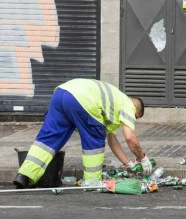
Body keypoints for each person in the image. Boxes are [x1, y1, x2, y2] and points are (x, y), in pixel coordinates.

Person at [13, 78, 153, 189]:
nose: (133, 120)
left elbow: (112, 141)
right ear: (136, 111)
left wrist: (128, 164)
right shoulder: (128, 105)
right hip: (83, 100)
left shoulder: (114, 103)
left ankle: (24, 175)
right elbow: (129, 137)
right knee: (95, 139)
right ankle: (92, 181)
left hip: (62, 92)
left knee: (47, 140)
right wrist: (142, 158)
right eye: (136, 117)